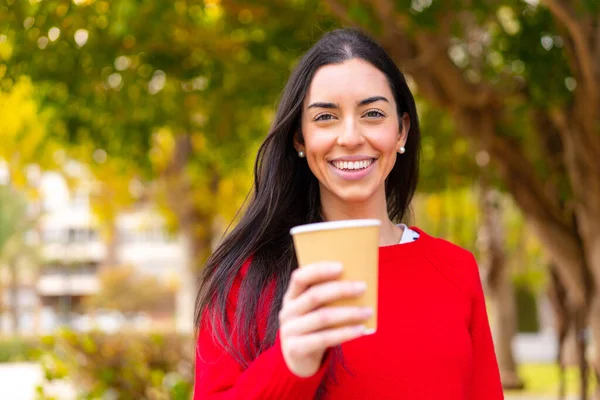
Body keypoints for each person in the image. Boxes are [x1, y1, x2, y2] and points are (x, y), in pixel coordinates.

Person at [193, 28, 503, 399]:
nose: (351, 136)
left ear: (401, 130)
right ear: (300, 138)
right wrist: (291, 364)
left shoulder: (456, 269)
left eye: (372, 113)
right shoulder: (243, 278)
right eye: (326, 117)